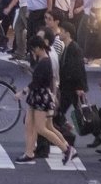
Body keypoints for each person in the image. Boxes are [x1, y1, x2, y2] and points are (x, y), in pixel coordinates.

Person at [20, 35, 75, 164]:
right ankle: (29, 152)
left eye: (33, 50)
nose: (32, 52)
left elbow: (37, 82)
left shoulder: (45, 62)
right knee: (29, 125)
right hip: (38, 96)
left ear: (38, 48)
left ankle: (66, 149)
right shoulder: (45, 60)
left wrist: (22, 92)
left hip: (40, 97)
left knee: (40, 128)